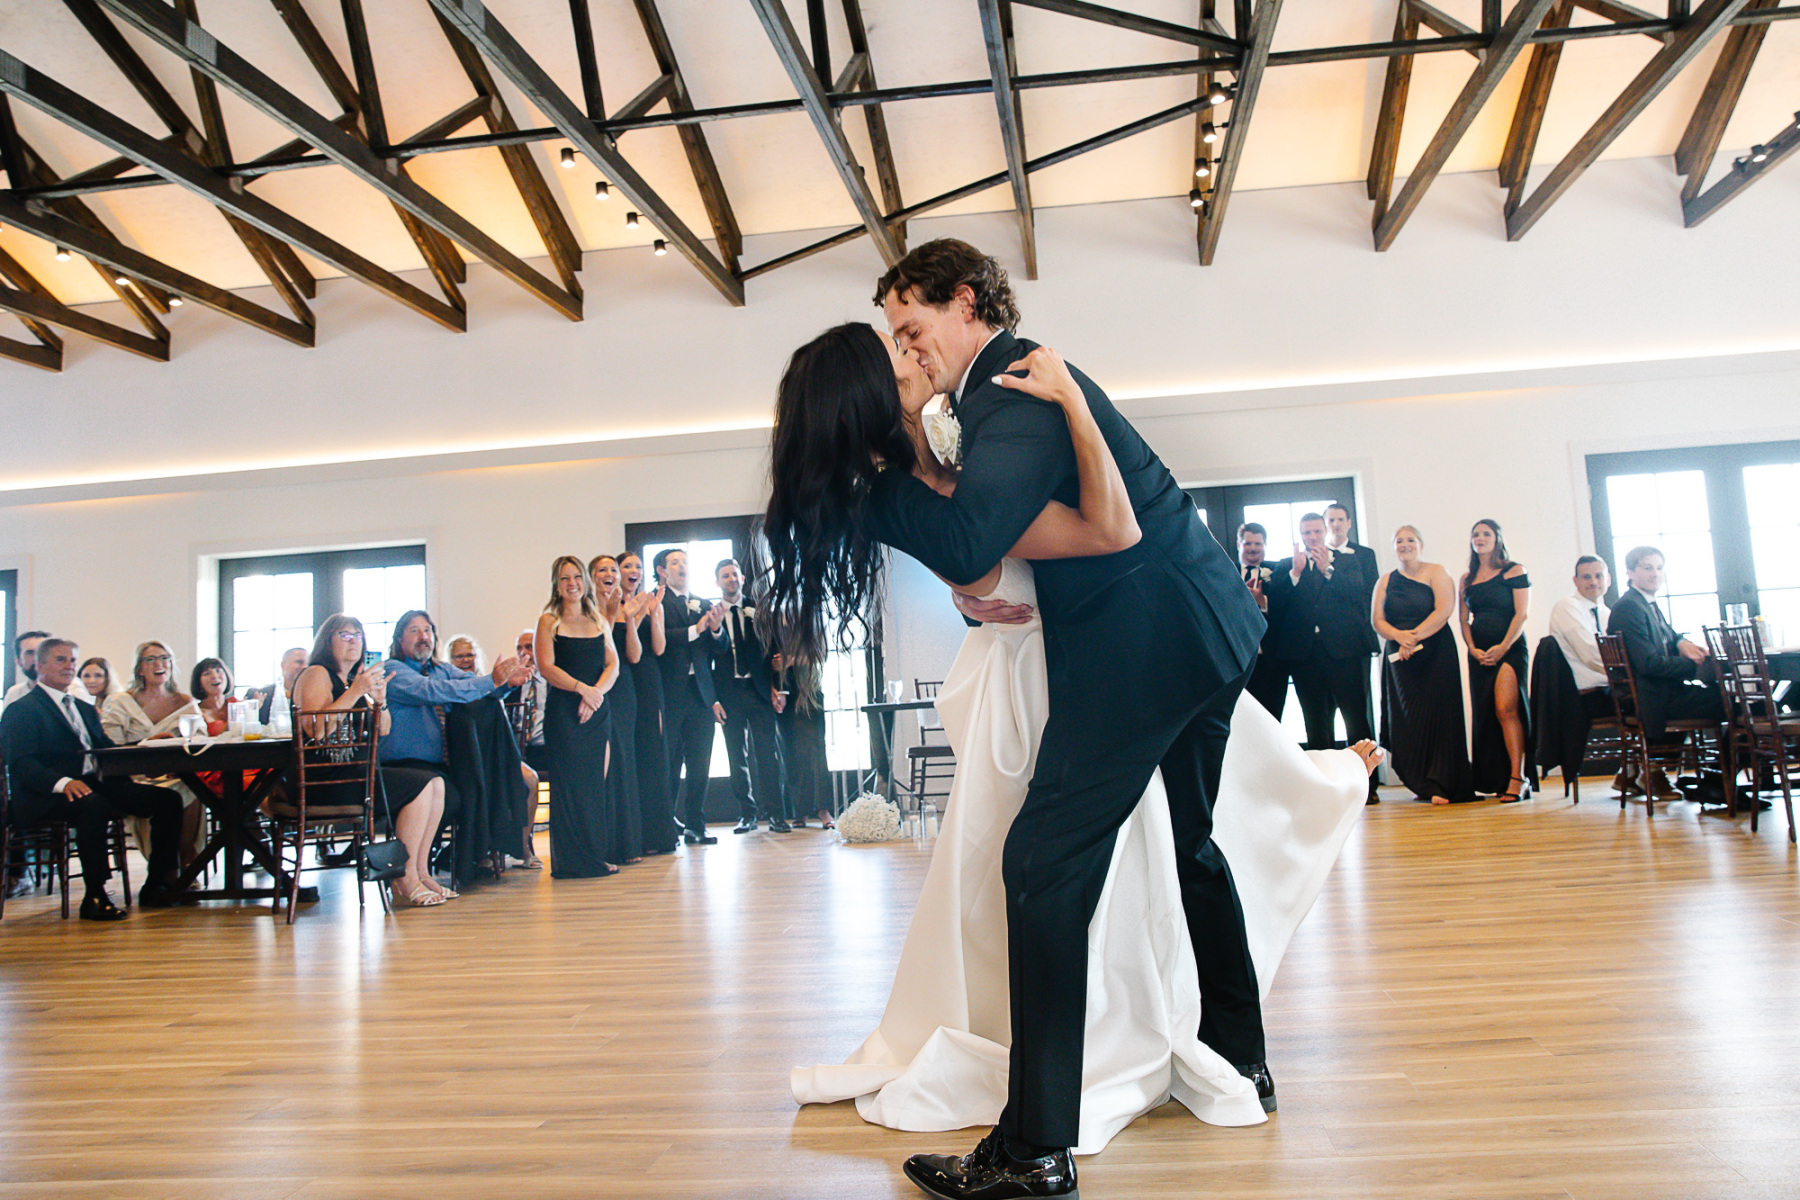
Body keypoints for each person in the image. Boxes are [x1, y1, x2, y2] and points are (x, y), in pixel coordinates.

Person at [765, 238, 1284, 1197]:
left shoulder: (1012, 383)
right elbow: (988, 544)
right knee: (1192, 847)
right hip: (1204, 625)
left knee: (1042, 864)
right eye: (891, 341)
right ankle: (1240, 1057)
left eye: (912, 327)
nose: (906, 348)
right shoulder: (980, 409)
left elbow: (982, 537)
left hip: (1146, 640)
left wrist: (958, 508)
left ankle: (1036, 1146)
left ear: (968, 303)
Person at [0, 638, 186, 920]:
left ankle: (158, 885)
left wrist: (145, 745)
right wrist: (63, 783)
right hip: (45, 794)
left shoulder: (83, 708)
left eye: (72, 660)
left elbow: (105, 748)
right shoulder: (22, 709)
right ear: (39, 666)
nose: (69, 666)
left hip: (93, 783)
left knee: (167, 799)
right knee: (94, 804)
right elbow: (22, 763)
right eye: (60, 660)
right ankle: (95, 895)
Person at [291, 614, 451, 907]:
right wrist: (356, 692)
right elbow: (316, 727)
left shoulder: (354, 681)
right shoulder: (317, 673)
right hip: (326, 780)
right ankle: (404, 879)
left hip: (356, 775)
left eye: (358, 635)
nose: (353, 641)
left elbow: (384, 729)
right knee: (421, 785)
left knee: (436, 784)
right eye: (344, 635)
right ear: (327, 641)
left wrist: (380, 700)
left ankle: (420, 872)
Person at [381, 610, 532, 884]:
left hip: (442, 766)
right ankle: (411, 873)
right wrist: (491, 681)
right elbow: (431, 691)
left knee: (475, 792)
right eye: (414, 631)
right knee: (453, 798)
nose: (423, 637)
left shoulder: (442, 669)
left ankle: (448, 865)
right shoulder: (392, 670)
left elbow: (478, 689)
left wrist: (506, 685)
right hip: (403, 766)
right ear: (399, 639)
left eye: (427, 630)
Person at [1269, 512, 1380, 803]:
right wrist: (1295, 573)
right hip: (1305, 655)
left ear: (1325, 530)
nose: (1312, 537)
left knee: (1356, 717)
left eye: (1317, 531)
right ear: (1300, 535)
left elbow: (1359, 596)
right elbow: (1277, 608)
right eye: (1306, 533)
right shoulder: (1287, 566)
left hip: (1345, 652)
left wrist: (1328, 568)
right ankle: (1324, 785)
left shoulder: (1347, 561)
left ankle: (1367, 786)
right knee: (1315, 721)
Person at [1606, 545, 1724, 800]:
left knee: (1726, 696)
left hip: (1660, 692)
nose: (1655, 574)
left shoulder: (1644, 603)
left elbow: (1669, 634)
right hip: (1654, 698)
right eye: (1647, 568)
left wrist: (1681, 643)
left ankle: (1651, 767)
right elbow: (1649, 663)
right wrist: (1697, 667)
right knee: (1732, 703)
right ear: (1630, 572)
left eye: (1659, 568)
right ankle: (1718, 780)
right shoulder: (1629, 608)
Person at [1371, 526, 1472, 805]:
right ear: (1393, 547)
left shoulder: (1437, 571)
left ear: (1421, 544)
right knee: (1406, 719)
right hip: (1400, 659)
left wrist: (1413, 638)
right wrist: (1399, 637)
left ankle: (1442, 782)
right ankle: (1420, 781)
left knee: (1439, 716)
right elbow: (1377, 620)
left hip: (1434, 653)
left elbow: (1444, 610)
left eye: (1410, 540)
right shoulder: (1385, 581)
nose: (1405, 545)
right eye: (1399, 541)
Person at [537, 555, 621, 878]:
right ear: (556, 586)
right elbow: (547, 667)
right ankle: (572, 863)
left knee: (594, 786)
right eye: (564, 578)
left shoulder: (598, 619)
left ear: (585, 581)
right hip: (564, 713)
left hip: (596, 711)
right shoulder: (548, 621)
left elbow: (612, 664)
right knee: (569, 786)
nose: (572, 584)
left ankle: (596, 856)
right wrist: (581, 690)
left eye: (576, 577)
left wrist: (595, 694)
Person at [100, 640, 204, 870]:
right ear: (139, 669)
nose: (160, 664)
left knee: (193, 789)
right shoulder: (121, 702)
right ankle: (163, 867)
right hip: (137, 775)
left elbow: (201, 740)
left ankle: (186, 863)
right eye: (151, 659)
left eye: (165, 658)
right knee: (156, 793)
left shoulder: (185, 702)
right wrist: (146, 745)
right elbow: (110, 746)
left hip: (177, 773)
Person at [713, 557, 790, 834]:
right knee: (736, 756)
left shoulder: (760, 610)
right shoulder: (713, 614)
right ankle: (747, 814)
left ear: (743, 578)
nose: (731, 580)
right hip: (728, 692)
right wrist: (713, 698)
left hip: (759, 692)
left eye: (735, 574)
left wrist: (779, 688)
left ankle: (776, 815)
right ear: (718, 582)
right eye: (725, 576)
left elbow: (777, 652)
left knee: (768, 755)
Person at [1459, 518, 1533, 801]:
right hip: (1479, 652)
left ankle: (1518, 777)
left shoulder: (1514, 570)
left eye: (1486, 534)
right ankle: (1495, 778)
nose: (1480, 538)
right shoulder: (1466, 579)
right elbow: (1464, 619)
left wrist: (1503, 646)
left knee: (1506, 709)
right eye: (1475, 534)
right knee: (1487, 714)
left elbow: (1521, 614)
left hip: (1510, 648)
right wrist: (1472, 647)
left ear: (1497, 538)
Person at [656, 548, 725, 845]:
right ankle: (665, 823)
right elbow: (659, 639)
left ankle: (696, 824)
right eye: (675, 562)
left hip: (700, 696)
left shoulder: (703, 603)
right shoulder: (656, 601)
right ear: (662, 570)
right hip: (669, 695)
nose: (681, 566)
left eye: (685, 562)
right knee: (670, 763)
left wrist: (717, 629)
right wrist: (693, 630)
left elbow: (719, 650)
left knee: (700, 762)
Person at [591, 555, 650, 863]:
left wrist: (629, 621)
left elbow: (634, 656)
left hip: (624, 687)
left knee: (625, 759)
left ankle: (628, 845)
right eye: (603, 570)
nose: (610, 574)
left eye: (613, 570)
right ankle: (606, 845)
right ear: (592, 577)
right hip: (599, 685)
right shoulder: (587, 612)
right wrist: (612, 616)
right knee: (606, 761)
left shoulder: (625, 609)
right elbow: (599, 653)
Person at [620, 552, 677, 854]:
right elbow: (630, 652)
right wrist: (637, 613)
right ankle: (633, 836)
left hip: (650, 678)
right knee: (630, 756)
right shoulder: (612, 604)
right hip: (625, 678)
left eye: (637, 567)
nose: (634, 571)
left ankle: (659, 834)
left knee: (654, 752)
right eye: (627, 566)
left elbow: (659, 647)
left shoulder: (652, 601)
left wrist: (653, 613)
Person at [774, 653, 833, 829]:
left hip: (809, 692)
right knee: (791, 752)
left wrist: (793, 659)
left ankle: (823, 809)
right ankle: (800, 811)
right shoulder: (772, 626)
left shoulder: (810, 626)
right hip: (782, 692)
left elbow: (821, 654)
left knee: (816, 750)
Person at [1236, 522, 1286, 719]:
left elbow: (1288, 611)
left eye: (1258, 544)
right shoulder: (1226, 571)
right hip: (1238, 660)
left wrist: (1262, 601)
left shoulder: (1279, 571)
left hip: (1272, 660)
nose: (1253, 548)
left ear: (1265, 545)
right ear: (1239, 544)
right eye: (1248, 543)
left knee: (1273, 717)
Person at [5, 631, 88, 707]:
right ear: (18, 660)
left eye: (42, 653)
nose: (36, 658)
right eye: (30, 653)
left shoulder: (73, 690)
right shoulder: (14, 693)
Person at [254, 646, 307, 725]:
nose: (304, 667)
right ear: (283, 665)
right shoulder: (260, 695)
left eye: (307, 663)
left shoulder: (315, 696)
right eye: (299, 662)